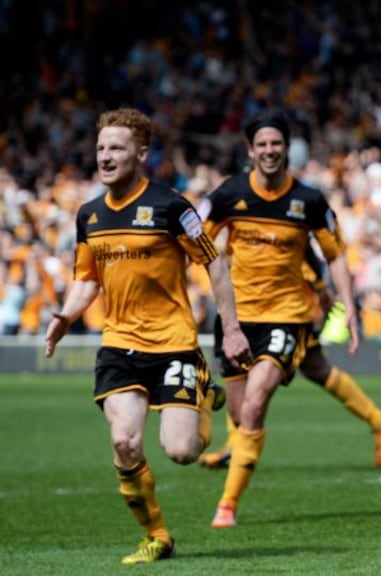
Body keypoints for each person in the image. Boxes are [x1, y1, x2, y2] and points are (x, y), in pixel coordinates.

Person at [43, 107, 251, 564]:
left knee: (181, 451)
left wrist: (231, 329)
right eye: (100, 147)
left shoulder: (171, 207)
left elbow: (214, 262)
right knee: (124, 442)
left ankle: (201, 389)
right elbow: (86, 279)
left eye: (116, 147)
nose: (105, 155)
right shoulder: (89, 215)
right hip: (118, 345)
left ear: (141, 153)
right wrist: (68, 314)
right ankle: (158, 536)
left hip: (174, 344)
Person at [201, 108, 363, 528]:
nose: (269, 151)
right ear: (250, 151)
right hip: (236, 320)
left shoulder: (308, 201)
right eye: (262, 145)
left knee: (254, 407)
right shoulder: (227, 196)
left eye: (276, 143)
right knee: (238, 416)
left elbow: (336, 256)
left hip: (285, 318)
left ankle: (227, 506)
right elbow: (197, 243)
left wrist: (349, 308)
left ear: (287, 148)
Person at [198, 243, 381, 471]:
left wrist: (319, 293)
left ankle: (379, 421)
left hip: (288, 309)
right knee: (306, 367)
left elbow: (304, 257)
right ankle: (379, 421)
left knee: (308, 367)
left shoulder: (284, 220)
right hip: (261, 306)